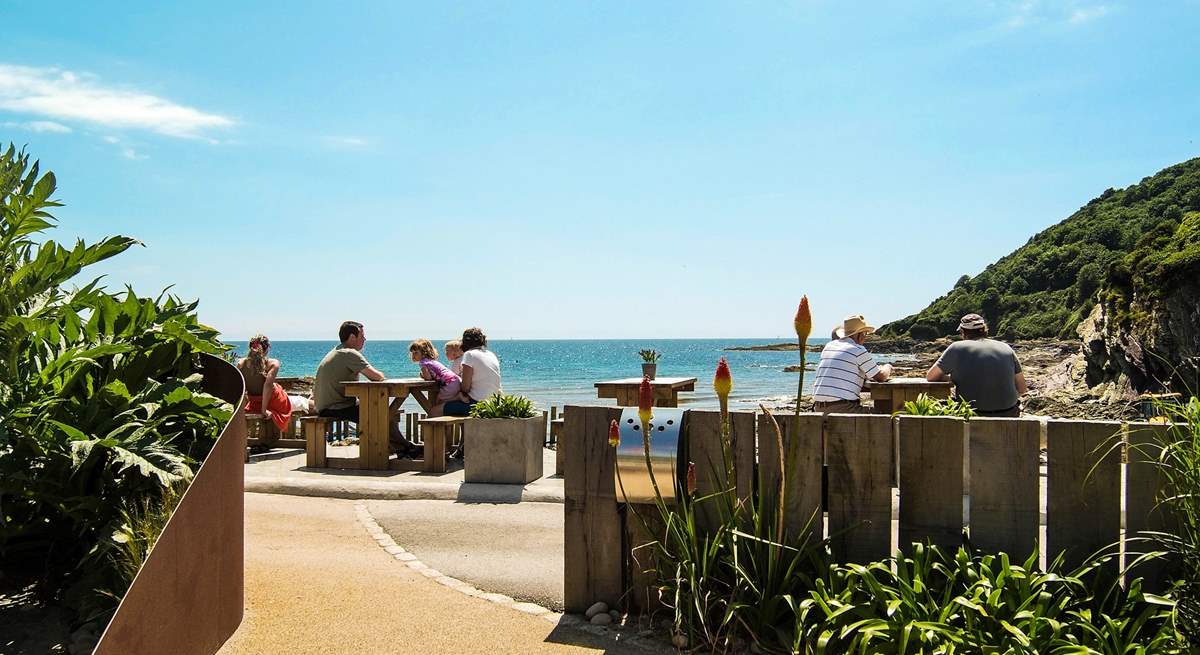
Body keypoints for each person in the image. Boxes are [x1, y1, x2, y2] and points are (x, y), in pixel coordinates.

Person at [926, 313, 1027, 417]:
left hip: (972, 414)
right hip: (1008, 413)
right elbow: (1022, 388)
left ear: (962, 332)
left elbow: (931, 376)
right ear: (985, 329)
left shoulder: (956, 348)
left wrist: (951, 379)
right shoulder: (1006, 347)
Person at [811, 315, 893, 413]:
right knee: (885, 415)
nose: (865, 337)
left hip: (818, 408)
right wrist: (888, 366)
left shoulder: (829, 346)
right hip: (843, 408)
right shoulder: (857, 349)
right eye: (865, 333)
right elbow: (881, 376)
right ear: (859, 334)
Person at [313, 320, 386, 422]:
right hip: (336, 408)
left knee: (377, 409)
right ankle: (392, 438)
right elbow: (377, 377)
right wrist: (382, 374)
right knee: (381, 412)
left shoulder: (337, 351)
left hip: (325, 407)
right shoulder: (349, 353)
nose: (365, 339)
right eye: (362, 336)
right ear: (352, 337)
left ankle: (390, 438)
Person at [237, 334, 292, 432]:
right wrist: (264, 410)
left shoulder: (241, 363)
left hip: (254, 403)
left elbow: (240, 386)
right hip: (273, 401)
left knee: (298, 401)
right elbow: (267, 386)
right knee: (300, 402)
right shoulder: (273, 363)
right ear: (267, 349)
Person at [443, 327, 502, 417]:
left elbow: (465, 388)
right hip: (493, 403)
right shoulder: (491, 354)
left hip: (477, 404)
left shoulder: (470, 354)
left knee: (435, 410)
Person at [408, 339, 462, 417]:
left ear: (424, 353)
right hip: (455, 380)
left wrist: (422, 375)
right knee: (440, 401)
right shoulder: (431, 361)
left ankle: (458, 398)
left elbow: (428, 377)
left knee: (440, 401)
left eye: (416, 353)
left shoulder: (423, 363)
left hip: (449, 383)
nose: (414, 355)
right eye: (412, 353)